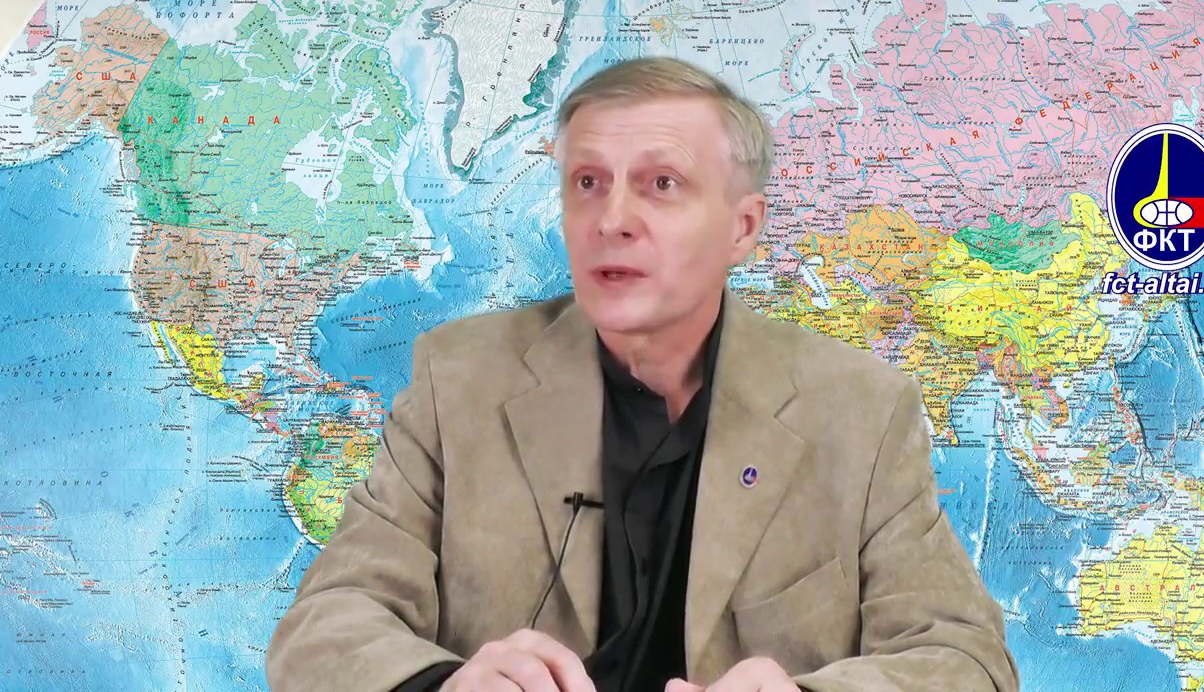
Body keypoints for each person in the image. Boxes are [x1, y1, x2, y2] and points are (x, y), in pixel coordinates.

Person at [266, 56, 1020, 692]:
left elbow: (966, 660)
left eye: (662, 184)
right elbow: (325, 626)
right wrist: (445, 685)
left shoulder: (862, 410)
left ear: (743, 227)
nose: (612, 219)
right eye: (588, 182)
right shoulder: (457, 379)